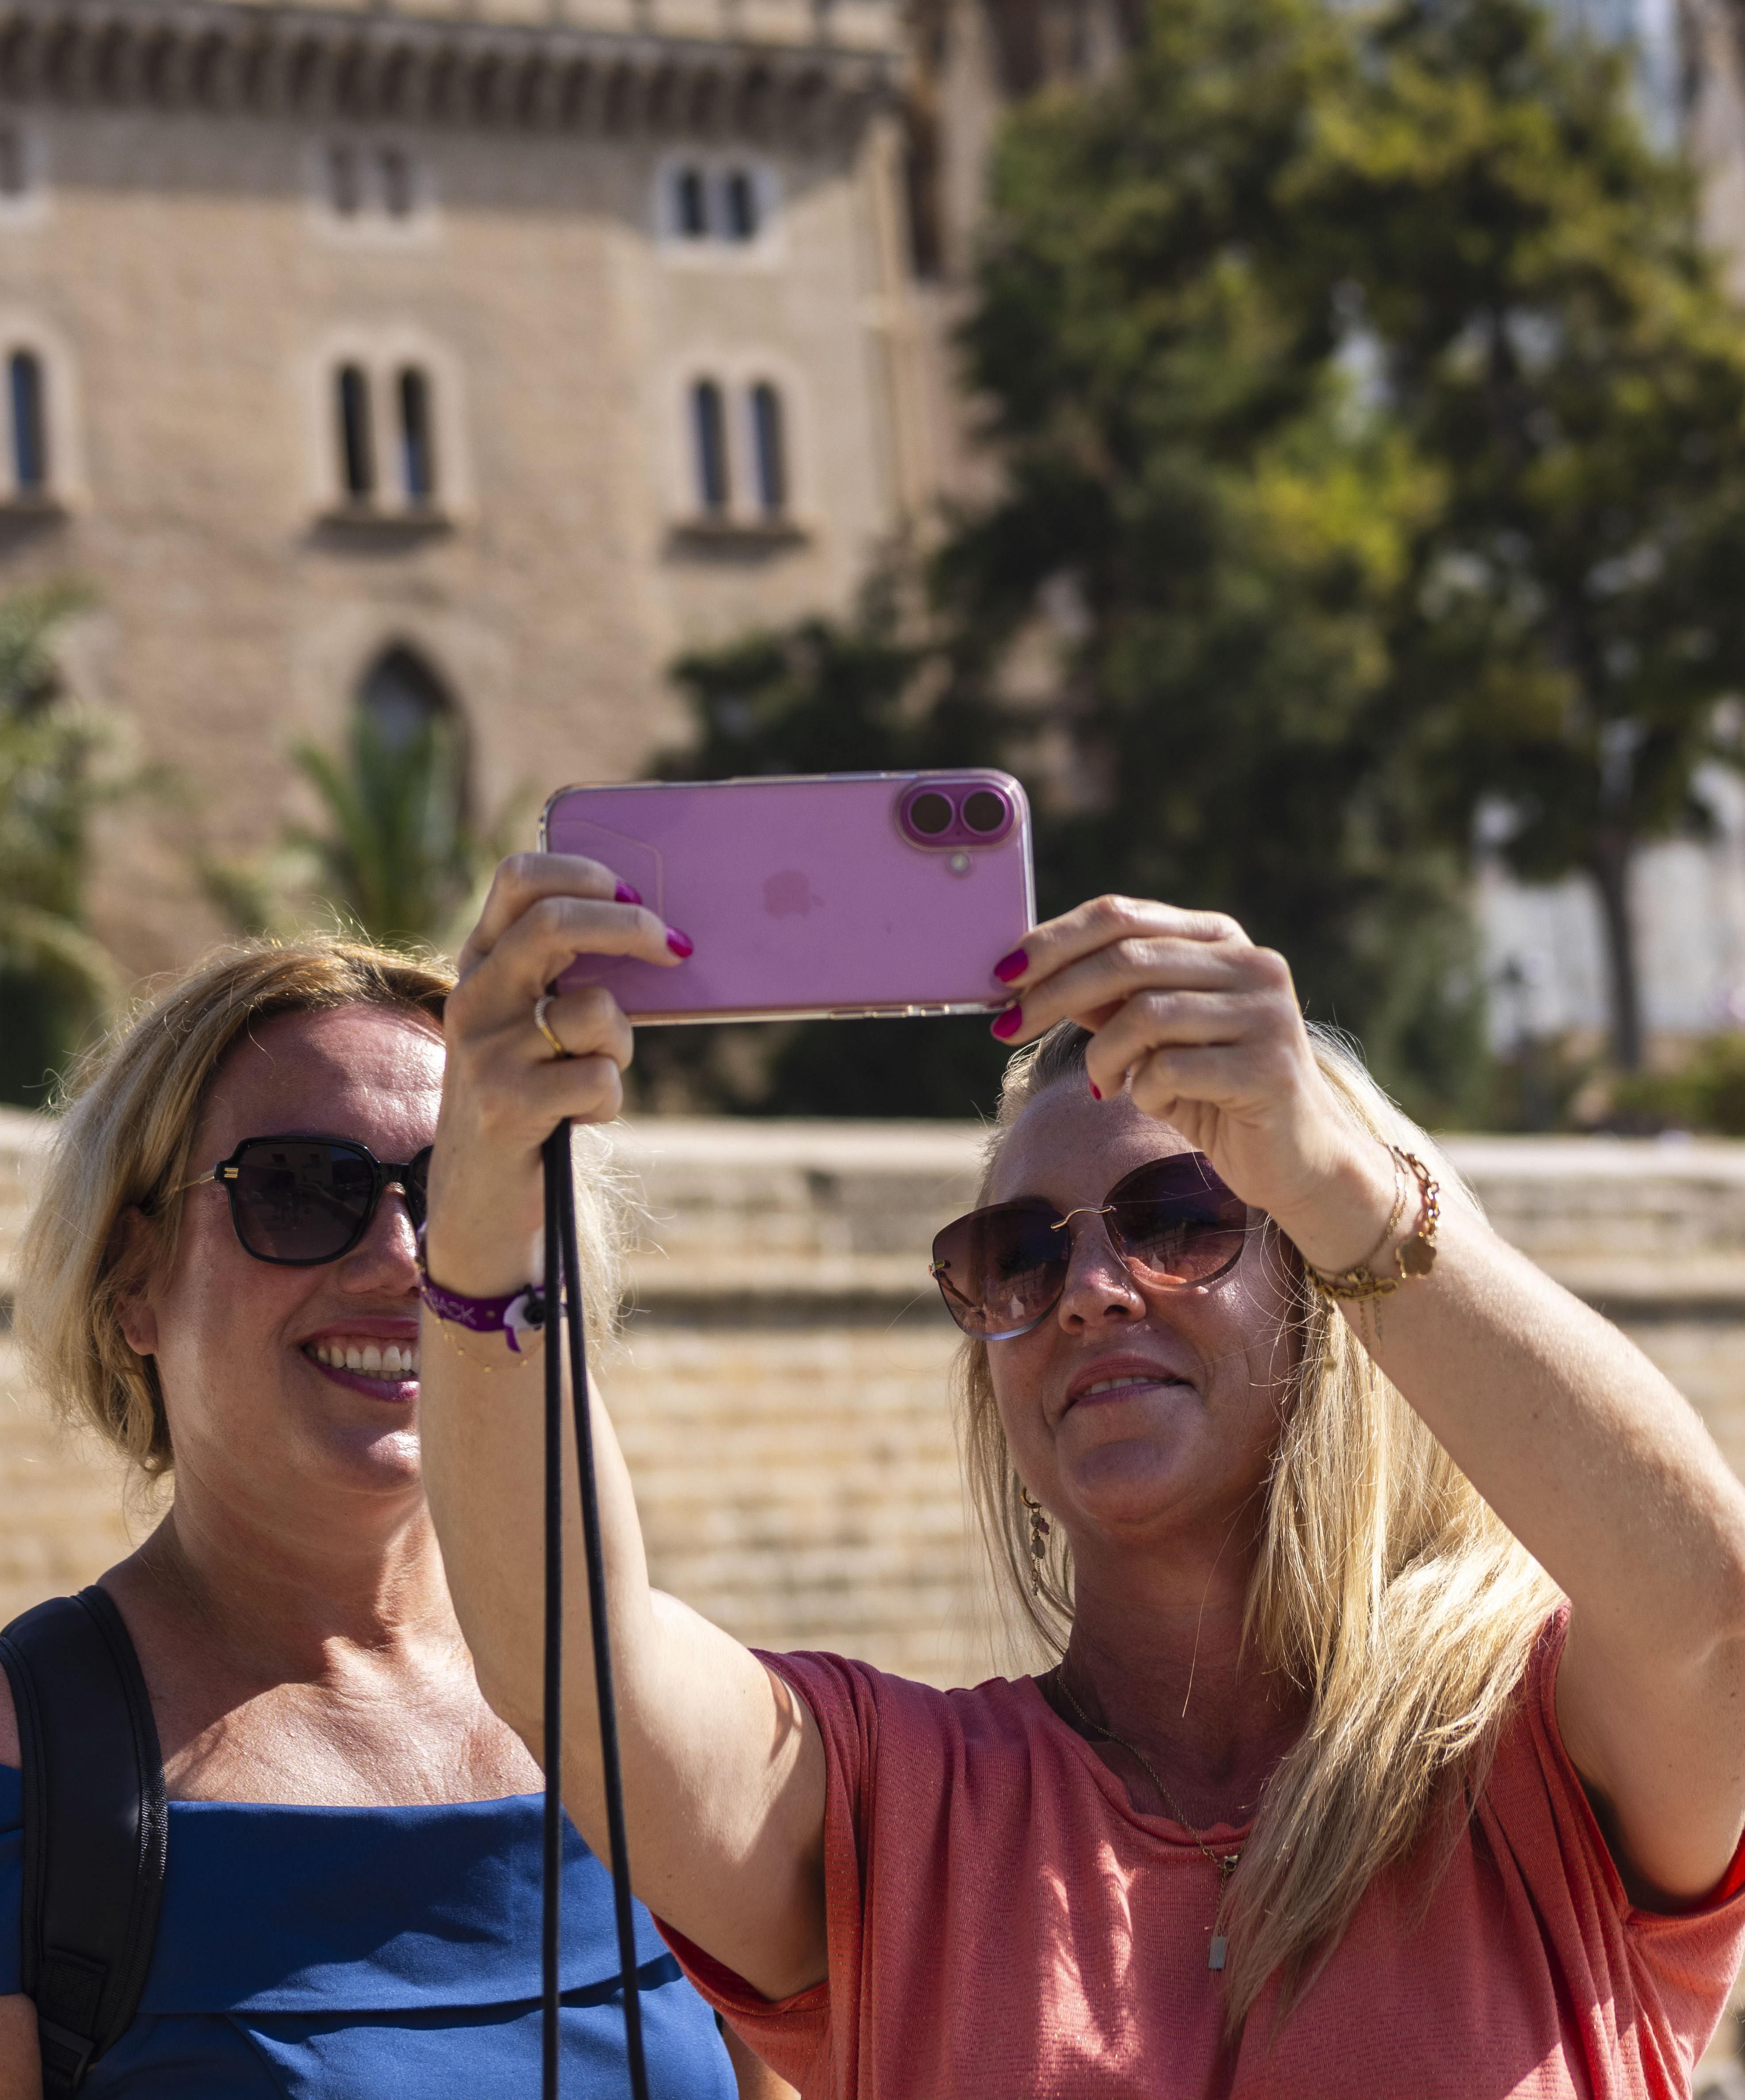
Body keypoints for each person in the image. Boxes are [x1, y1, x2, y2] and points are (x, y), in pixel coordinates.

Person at [420, 865, 1745, 2096]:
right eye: (1018, 1256)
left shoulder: (1539, 1767)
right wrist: (481, 1216)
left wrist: (1342, 1181)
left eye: (1181, 1218)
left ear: (1327, 1288)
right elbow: (574, 1670)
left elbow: (1712, 1614)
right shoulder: (899, 1814)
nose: (1092, 1294)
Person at [0, 935, 764, 2100]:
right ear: (133, 1278)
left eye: (465, 1193)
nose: (403, 1260)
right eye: (305, 1190)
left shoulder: (654, 1715)